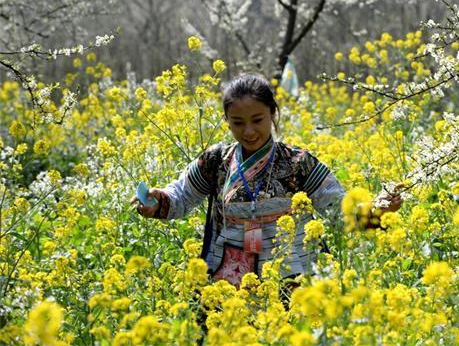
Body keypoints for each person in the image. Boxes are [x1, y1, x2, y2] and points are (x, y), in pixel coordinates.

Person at [131, 73, 402, 287]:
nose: (249, 131)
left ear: (273, 113)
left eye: (257, 120)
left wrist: (376, 211)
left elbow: (337, 208)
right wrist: (158, 203)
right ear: (226, 121)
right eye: (238, 123)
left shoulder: (298, 162)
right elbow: (181, 195)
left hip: (293, 278)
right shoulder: (216, 160)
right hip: (229, 279)